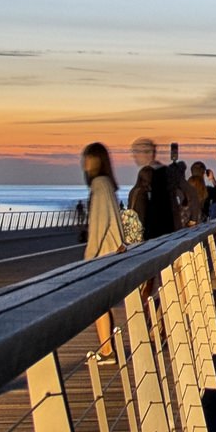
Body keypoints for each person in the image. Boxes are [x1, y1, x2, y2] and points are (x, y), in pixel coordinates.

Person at [80, 143, 122, 349]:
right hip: (112, 252)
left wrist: (88, 259)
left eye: (89, 158)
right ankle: (108, 348)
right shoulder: (107, 185)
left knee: (99, 304)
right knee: (103, 304)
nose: (85, 163)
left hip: (104, 254)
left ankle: (107, 350)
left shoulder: (99, 185)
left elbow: (99, 224)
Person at [128, 138, 177, 241]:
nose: (134, 156)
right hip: (166, 236)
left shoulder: (151, 179)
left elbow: (141, 214)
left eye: (136, 151)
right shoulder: (166, 174)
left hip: (151, 237)